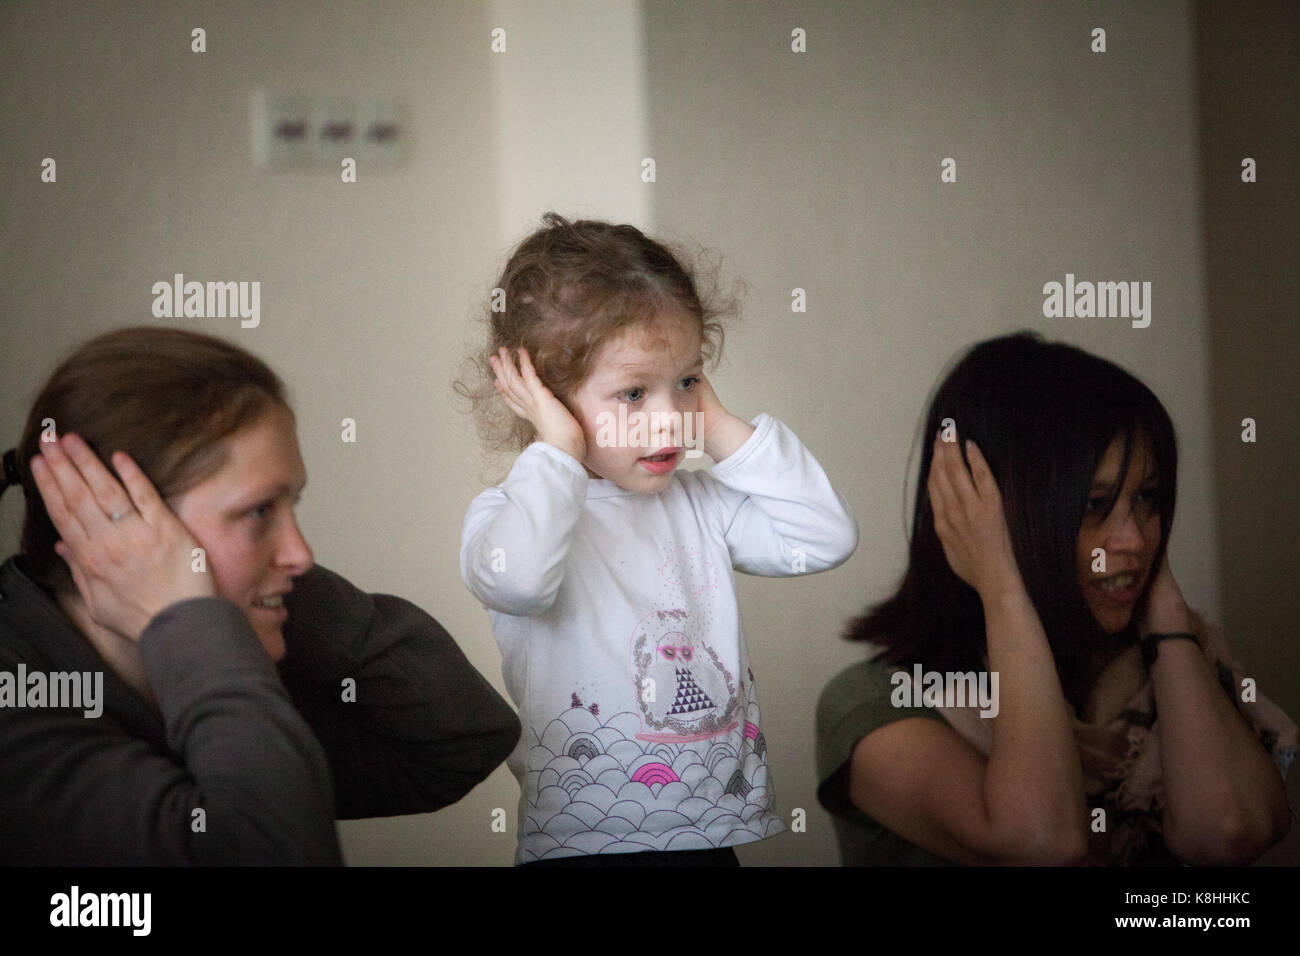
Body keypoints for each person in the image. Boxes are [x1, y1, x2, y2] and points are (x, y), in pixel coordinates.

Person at [0, 326, 520, 865]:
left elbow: (462, 738)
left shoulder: (221, 669)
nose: (301, 553)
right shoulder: (19, 713)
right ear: (120, 530)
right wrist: (193, 621)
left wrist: (234, 608)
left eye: (291, 504)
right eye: (257, 512)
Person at [457, 213, 858, 865]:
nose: (670, 418)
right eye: (634, 391)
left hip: (709, 837)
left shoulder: (700, 506)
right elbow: (522, 581)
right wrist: (556, 448)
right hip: (585, 845)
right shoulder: (507, 518)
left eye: (687, 381)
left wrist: (719, 421)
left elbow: (823, 535)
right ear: (543, 396)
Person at [816, 331, 1295, 865]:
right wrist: (1001, 583)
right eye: (1094, 505)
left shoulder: (1176, 664)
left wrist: (1162, 605)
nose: (1135, 539)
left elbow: (1231, 830)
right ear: (983, 513)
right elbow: (1042, 841)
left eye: (1147, 499)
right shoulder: (874, 704)